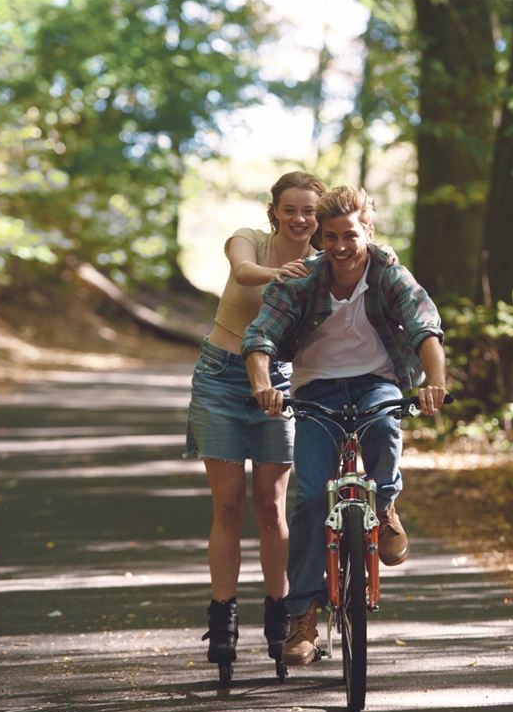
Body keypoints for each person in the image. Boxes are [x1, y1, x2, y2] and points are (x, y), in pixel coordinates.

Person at [243, 185, 448, 666]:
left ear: (367, 231)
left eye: (349, 235)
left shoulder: (389, 273)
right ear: (320, 236)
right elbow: (261, 338)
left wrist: (434, 383)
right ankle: (303, 618)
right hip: (316, 390)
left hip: (376, 381)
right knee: (312, 496)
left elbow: (425, 328)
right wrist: (261, 386)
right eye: (329, 236)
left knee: (383, 429)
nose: (339, 246)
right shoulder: (301, 280)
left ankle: (386, 503)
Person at [184, 170, 326, 673]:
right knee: (227, 505)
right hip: (221, 378)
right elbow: (243, 272)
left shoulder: (324, 261)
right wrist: (282, 275)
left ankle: (280, 615)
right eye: (290, 209)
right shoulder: (249, 240)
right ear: (275, 210)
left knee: (272, 506)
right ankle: (222, 618)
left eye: (309, 210)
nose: (300, 218)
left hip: (282, 382)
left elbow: (364, 268)